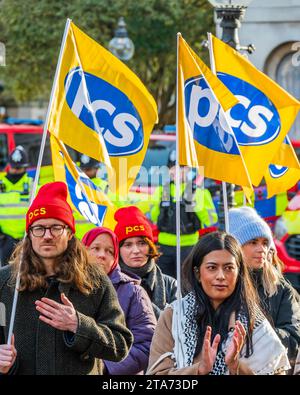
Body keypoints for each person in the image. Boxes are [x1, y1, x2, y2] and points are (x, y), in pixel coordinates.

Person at [0, 181, 133, 375]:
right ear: (29, 234)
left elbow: (120, 345)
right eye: (39, 228)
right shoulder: (5, 281)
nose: (47, 236)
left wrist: (78, 325)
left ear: (69, 233)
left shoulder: (95, 281)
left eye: (56, 227)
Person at [147, 231, 290, 375]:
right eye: (212, 268)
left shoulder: (253, 320)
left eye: (229, 268)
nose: (221, 276)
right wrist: (199, 370)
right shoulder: (175, 316)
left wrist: (236, 367)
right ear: (198, 273)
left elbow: (276, 371)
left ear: (239, 273)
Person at [229, 206, 300, 374]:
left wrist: (257, 337)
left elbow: (294, 337)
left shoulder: (281, 289)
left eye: (265, 243)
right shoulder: (220, 286)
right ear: (235, 246)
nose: (261, 249)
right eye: (253, 242)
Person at [82, 227, 157, 375]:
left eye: (109, 251)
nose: (102, 255)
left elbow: (148, 343)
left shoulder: (133, 292)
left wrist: (105, 368)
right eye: (95, 248)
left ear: (115, 257)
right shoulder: (67, 287)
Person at [150, 150, 218, 279]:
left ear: (188, 170)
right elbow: (154, 217)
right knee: (164, 284)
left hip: (189, 246)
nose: (176, 171)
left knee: (187, 283)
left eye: (181, 168)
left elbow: (210, 219)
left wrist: (194, 204)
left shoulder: (198, 191)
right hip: (165, 246)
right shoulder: (162, 190)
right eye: (172, 167)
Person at [114, 206, 177, 319]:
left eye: (142, 243)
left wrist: (142, 298)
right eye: (128, 245)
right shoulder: (110, 284)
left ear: (150, 246)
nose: (136, 250)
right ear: (118, 250)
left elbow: (179, 326)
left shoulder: (171, 285)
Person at [0, 146, 33, 266]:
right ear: (9, 165)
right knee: (5, 275)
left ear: (25, 167)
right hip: (6, 240)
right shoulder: (1, 184)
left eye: (19, 168)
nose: (16, 171)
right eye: (14, 167)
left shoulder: (32, 185)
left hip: (26, 238)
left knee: (29, 273)